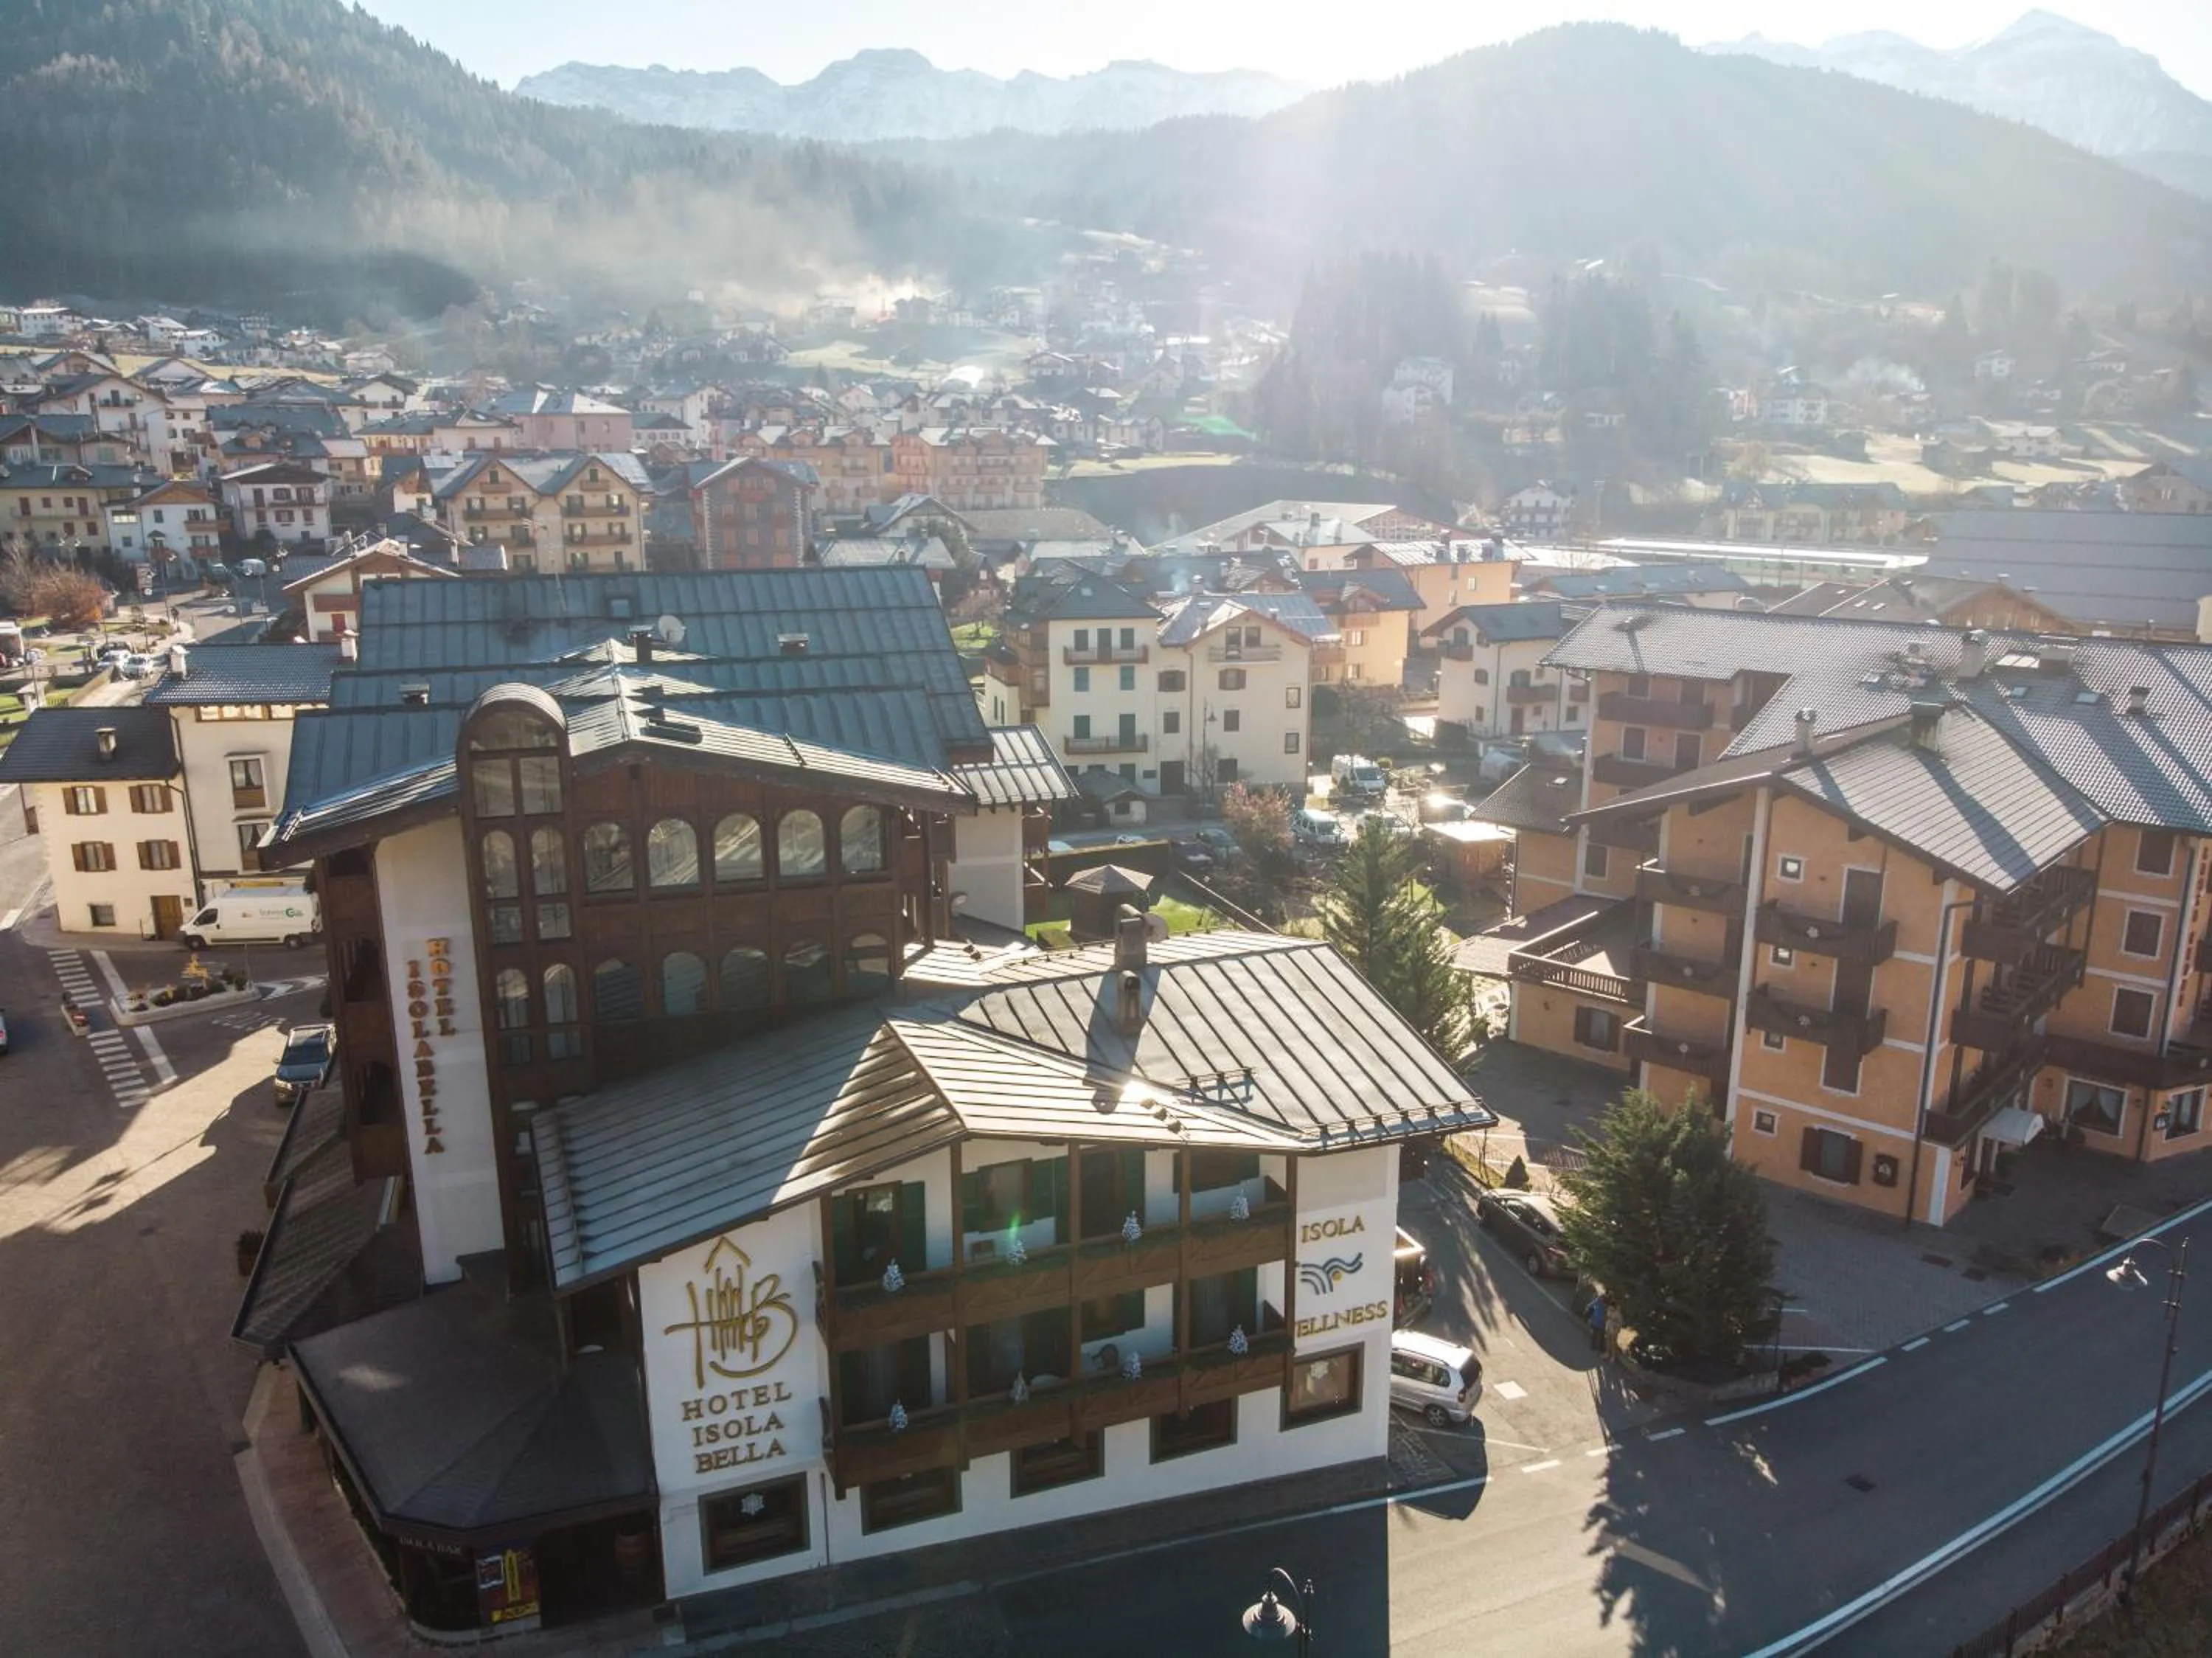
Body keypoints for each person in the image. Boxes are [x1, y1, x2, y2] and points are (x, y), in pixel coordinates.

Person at [1586, 1291, 1608, 1356]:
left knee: (1594, 1334)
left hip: (1596, 1321)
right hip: (1601, 1323)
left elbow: (1590, 1305)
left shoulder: (1598, 1301)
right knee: (1601, 1336)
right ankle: (1601, 1348)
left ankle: (1594, 1346)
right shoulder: (1605, 1305)